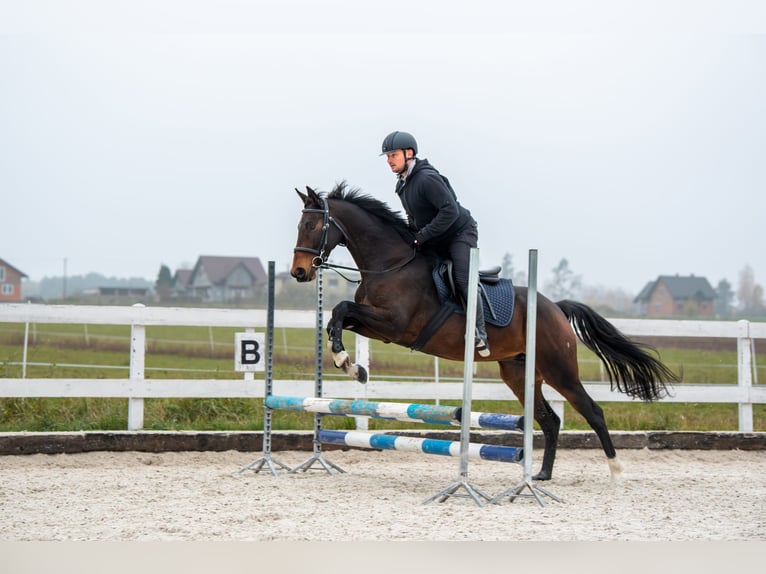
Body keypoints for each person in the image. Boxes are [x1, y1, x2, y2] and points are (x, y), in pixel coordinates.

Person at [380, 130, 490, 357]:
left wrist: (422, 236)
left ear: (408, 153)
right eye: (388, 156)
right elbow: (414, 218)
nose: (389, 160)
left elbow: (450, 211)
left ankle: (479, 332)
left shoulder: (426, 179)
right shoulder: (402, 185)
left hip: (459, 233)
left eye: (393, 155)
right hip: (436, 236)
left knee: (462, 278)